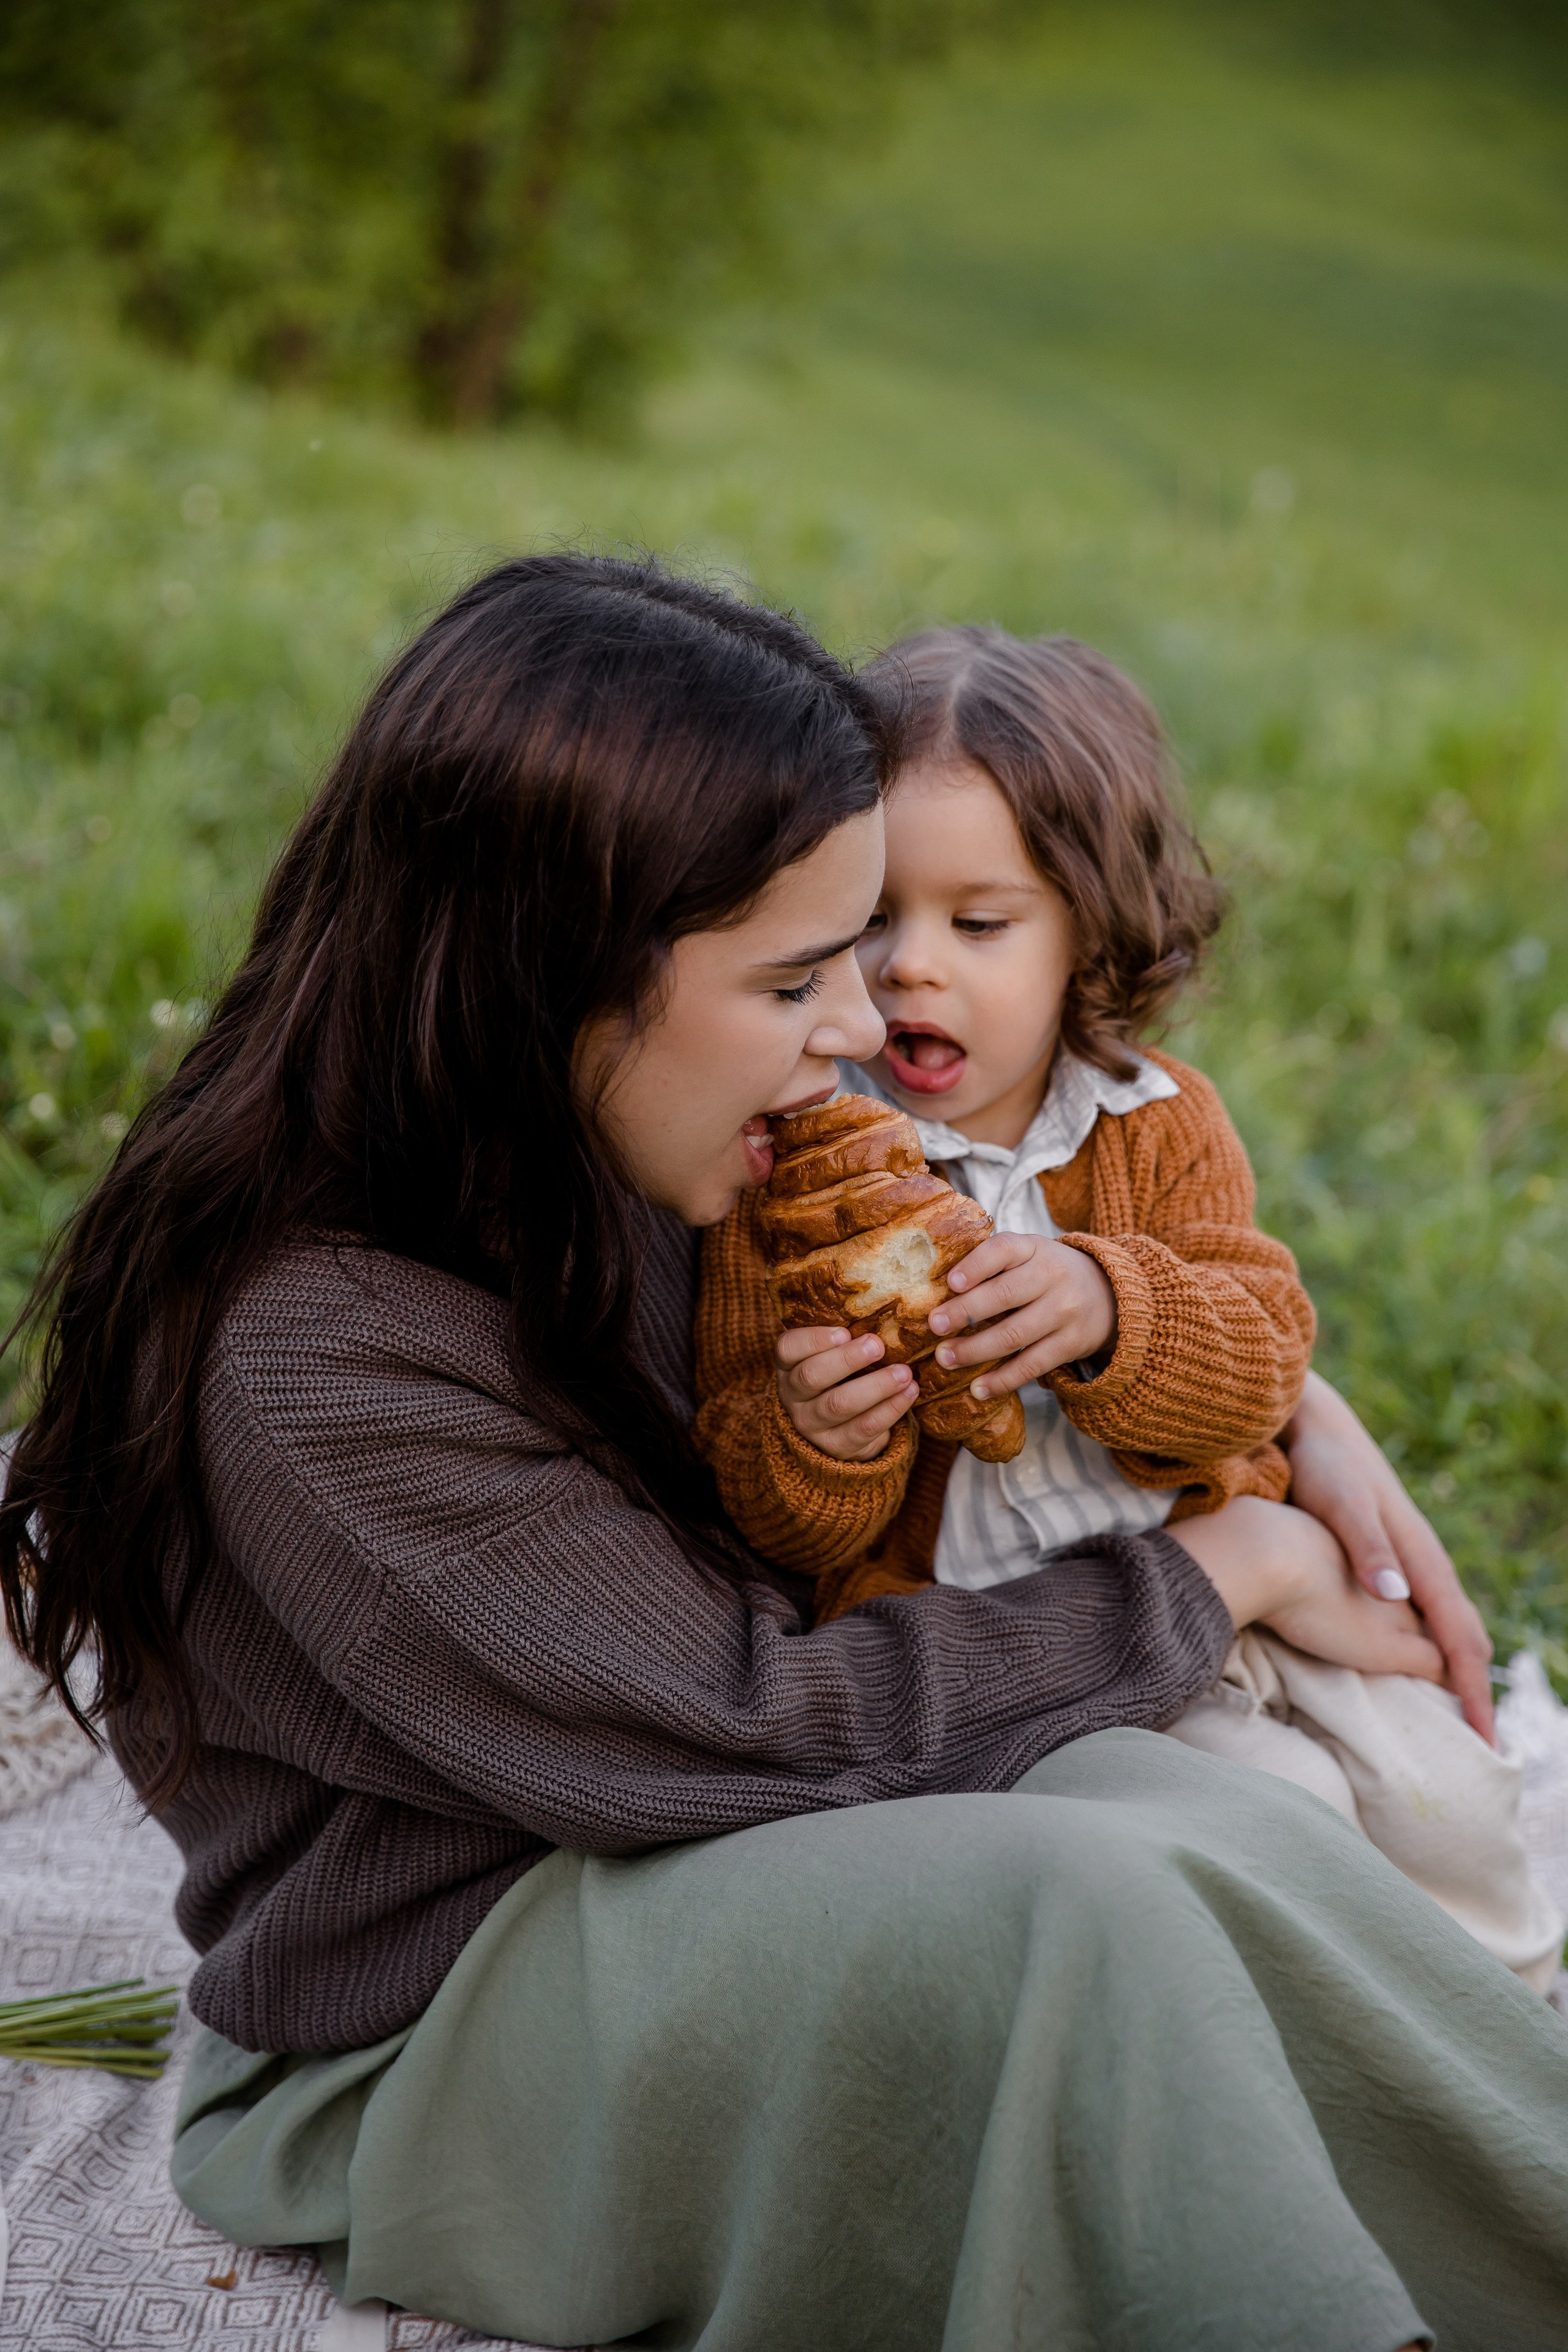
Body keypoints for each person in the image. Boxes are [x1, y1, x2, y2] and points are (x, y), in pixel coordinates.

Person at [3, 554, 1566, 2352]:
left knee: (1191, 1816)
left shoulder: (638, 1153)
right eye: (798, 975)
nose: (856, 1032)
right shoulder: (312, 1357)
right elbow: (742, 1721)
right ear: (564, 970)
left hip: (686, 1868)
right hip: (432, 2037)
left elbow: (1037, 1272)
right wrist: (1229, 1572)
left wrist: (1297, 1408)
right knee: (1085, 1911)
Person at [695, 623, 1563, 1989]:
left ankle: (1508, 2026)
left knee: (1452, 1803)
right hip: (1039, 1664)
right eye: (869, 917)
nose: (908, 968)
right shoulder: (789, 1175)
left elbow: (1261, 1351)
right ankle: (1320, 2062)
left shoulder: (1151, 1124)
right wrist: (823, 1434)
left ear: (1085, 931)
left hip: (1237, 1575)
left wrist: (1111, 1304)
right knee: (1288, 1825)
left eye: (977, 924)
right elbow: (763, 1498)